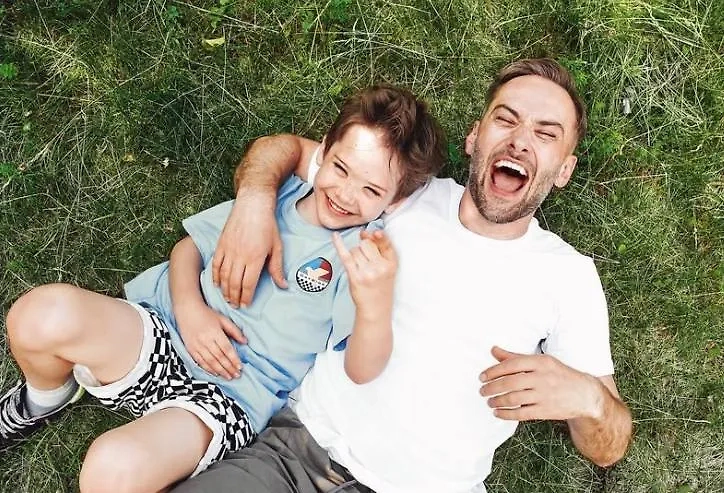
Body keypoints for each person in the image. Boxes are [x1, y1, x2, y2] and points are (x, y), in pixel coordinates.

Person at [172, 58, 633, 493]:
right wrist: (254, 202)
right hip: (298, 457)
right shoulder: (402, 191)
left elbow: (609, 448)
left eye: (546, 133)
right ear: (474, 137)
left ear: (564, 170)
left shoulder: (569, 277)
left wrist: (588, 399)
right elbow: (282, 149)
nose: (520, 141)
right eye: (505, 119)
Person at [0, 85, 446, 492]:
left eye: (370, 190)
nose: (346, 194)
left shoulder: (362, 256)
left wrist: (373, 304)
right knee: (38, 315)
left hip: (230, 393)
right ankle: (45, 398)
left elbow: (363, 367)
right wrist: (191, 310)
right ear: (324, 150)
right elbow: (188, 250)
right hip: (165, 328)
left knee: (111, 471)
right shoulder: (281, 194)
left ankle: (171, 454)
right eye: (341, 169)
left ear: (394, 201)